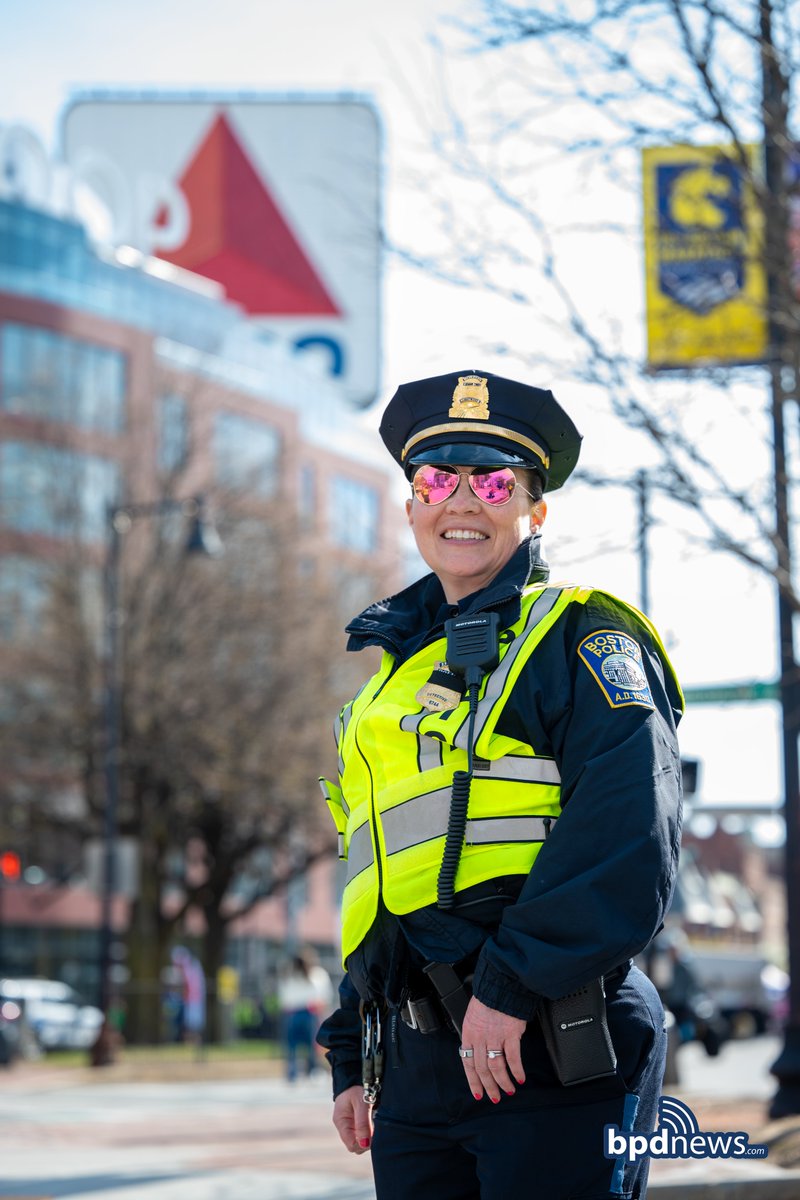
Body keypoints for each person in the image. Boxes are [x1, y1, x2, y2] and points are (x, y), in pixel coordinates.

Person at [317, 370, 684, 1200]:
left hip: (550, 1040)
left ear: (535, 510)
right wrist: (354, 1045)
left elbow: (628, 832)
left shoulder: (581, 635)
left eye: (492, 482)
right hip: (415, 1067)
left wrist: (512, 987)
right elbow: (382, 874)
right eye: (436, 480)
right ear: (412, 505)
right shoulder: (396, 679)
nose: (462, 502)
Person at [277, 948, 334, 1082]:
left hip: (293, 1013)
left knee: (292, 1045)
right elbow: (324, 996)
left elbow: (283, 998)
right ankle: (312, 1069)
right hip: (309, 1013)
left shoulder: (288, 975)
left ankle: (292, 1072)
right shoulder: (317, 974)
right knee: (311, 1044)